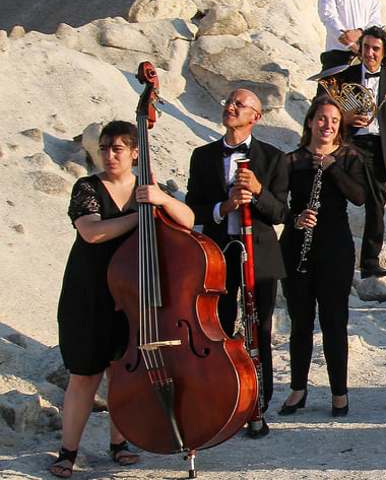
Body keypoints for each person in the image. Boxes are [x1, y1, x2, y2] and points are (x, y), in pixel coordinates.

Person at [50, 121, 192, 478]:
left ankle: (119, 444)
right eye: (104, 149)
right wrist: (140, 216)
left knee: (122, 373)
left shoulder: (148, 190)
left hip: (132, 298)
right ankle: (67, 452)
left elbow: (188, 222)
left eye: (118, 149)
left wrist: (161, 200)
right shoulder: (87, 187)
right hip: (89, 297)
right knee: (84, 375)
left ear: (134, 153)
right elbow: (93, 232)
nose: (110, 155)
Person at [184, 87, 289, 437]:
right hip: (217, 259)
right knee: (220, 329)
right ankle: (225, 400)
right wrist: (222, 208)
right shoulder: (201, 156)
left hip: (259, 257)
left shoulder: (274, 158)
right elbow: (193, 208)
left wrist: (258, 190)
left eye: (239, 104)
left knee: (259, 331)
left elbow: (279, 213)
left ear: (255, 117)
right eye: (229, 101)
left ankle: (259, 402)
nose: (231, 107)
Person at [277, 98, 369, 419]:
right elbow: (276, 205)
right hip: (297, 247)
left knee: (334, 321)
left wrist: (331, 168)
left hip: (335, 250)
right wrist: (295, 218)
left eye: (333, 121)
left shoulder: (350, 157)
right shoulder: (291, 160)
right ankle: (298, 388)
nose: (327, 125)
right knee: (300, 321)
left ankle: (339, 393)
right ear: (310, 122)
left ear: (339, 126)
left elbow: (359, 197)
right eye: (321, 119)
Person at [323, 27, 386, 280]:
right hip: (350, 146)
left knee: (376, 207)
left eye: (375, 49)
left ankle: (370, 263)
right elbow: (327, 109)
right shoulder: (346, 75)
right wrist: (347, 117)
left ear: (385, 53)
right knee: (335, 199)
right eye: (366, 48)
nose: (370, 53)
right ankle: (333, 257)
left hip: (379, 149)